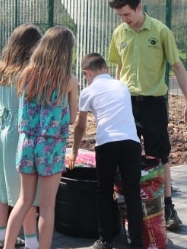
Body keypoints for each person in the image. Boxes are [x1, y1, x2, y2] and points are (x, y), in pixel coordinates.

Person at [107, 0, 187, 231]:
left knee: (160, 157)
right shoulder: (119, 33)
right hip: (126, 104)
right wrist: (115, 98)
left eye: (126, 14)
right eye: (120, 16)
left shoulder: (160, 31)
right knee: (127, 156)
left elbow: (177, 67)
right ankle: (129, 208)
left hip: (154, 104)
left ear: (138, 7)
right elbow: (118, 69)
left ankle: (168, 208)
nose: (124, 20)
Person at [3, 26, 79, 249]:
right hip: (52, 146)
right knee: (47, 206)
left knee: (24, 201)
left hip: (26, 142)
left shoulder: (27, 73)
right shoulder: (69, 80)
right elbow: (73, 118)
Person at [0, 23, 42, 249]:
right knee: (26, 192)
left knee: (1, 188)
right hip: (20, 131)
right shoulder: (30, 73)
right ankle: (33, 241)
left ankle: (0, 237)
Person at [68, 53, 144, 249]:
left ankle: (105, 240)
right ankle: (137, 242)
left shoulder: (88, 91)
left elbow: (80, 126)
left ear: (87, 73)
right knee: (132, 192)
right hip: (132, 142)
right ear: (106, 69)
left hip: (107, 143)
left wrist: (74, 152)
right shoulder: (122, 86)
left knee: (104, 190)